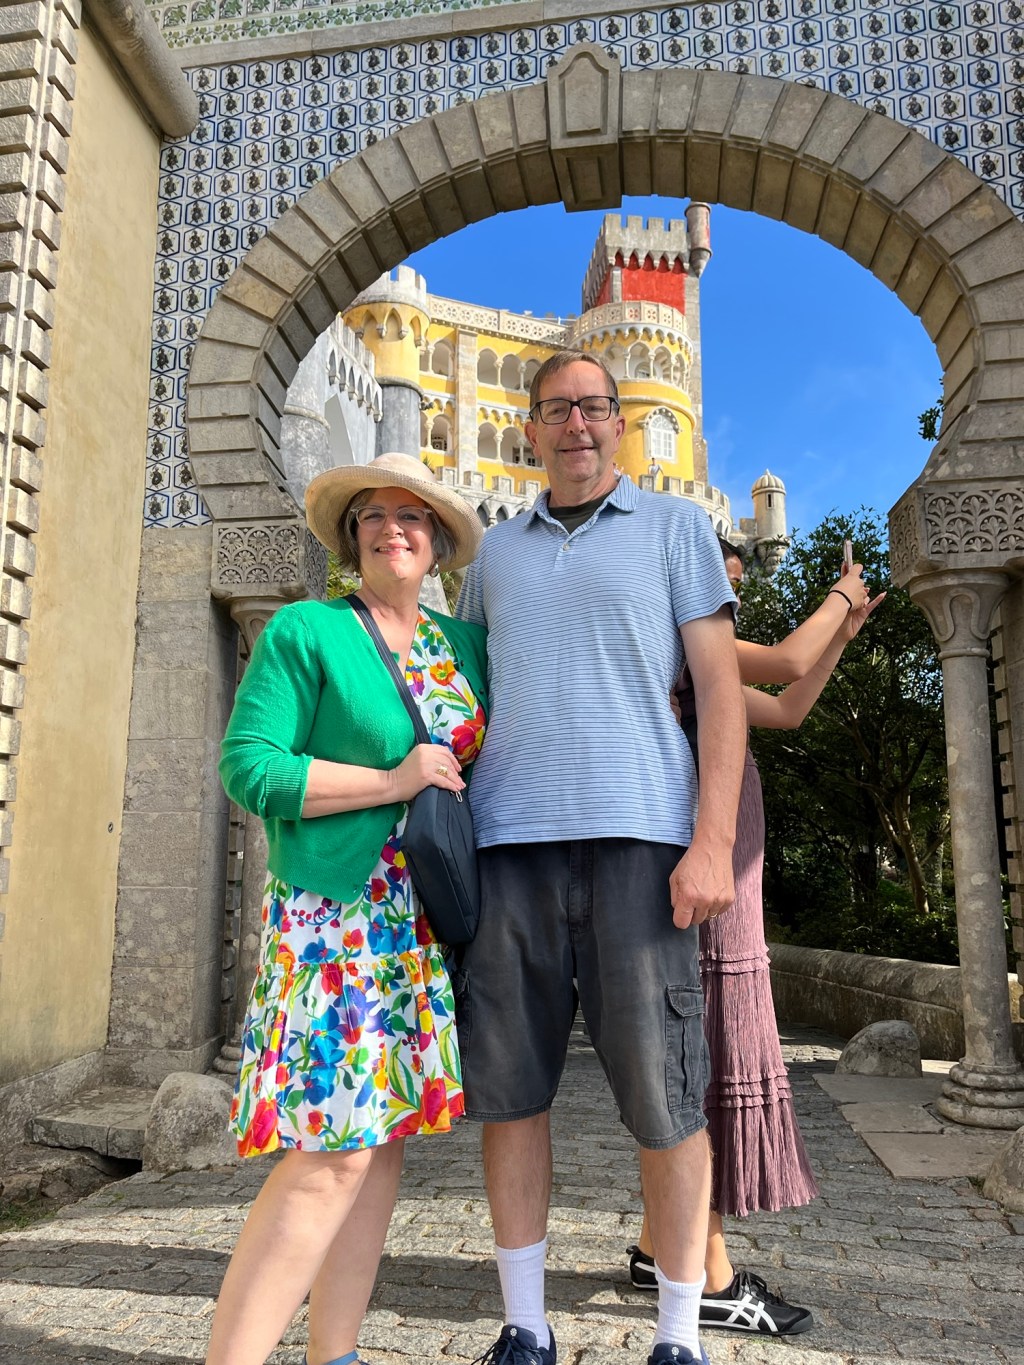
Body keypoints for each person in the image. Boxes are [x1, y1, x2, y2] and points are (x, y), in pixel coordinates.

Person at [455, 352, 748, 1365]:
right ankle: (524, 1326)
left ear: (618, 424)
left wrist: (710, 842)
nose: (575, 423)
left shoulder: (676, 530)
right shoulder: (490, 557)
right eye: (555, 410)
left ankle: (678, 1336)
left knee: (666, 1098)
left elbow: (718, 692)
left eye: (592, 406)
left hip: (642, 846)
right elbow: (460, 704)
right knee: (510, 1094)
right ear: (528, 431)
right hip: (508, 850)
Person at [208, 452, 488, 1365]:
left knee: (381, 1148)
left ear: (440, 540)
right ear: (351, 537)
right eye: (374, 515)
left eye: (413, 515)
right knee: (331, 1154)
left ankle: (338, 1353)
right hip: (334, 924)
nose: (393, 527)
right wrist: (390, 779)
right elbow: (250, 767)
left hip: (419, 928)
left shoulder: (463, 649)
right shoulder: (307, 632)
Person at [628, 538, 883, 1337]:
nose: (727, 602)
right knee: (698, 1064)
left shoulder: (705, 677)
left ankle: (652, 1248)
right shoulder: (677, 638)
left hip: (725, 886)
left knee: (694, 1059)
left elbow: (793, 702)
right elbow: (780, 659)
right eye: (723, 587)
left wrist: (839, 638)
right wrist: (841, 597)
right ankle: (707, 1274)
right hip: (701, 885)